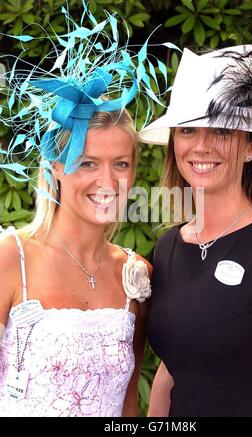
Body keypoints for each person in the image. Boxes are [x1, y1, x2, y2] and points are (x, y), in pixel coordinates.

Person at [0, 3, 171, 417]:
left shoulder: (137, 275)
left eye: (121, 164)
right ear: (56, 168)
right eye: (87, 163)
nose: (107, 182)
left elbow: (129, 402)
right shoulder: (10, 257)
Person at [139, 44, 252, 417]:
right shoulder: (167, 247)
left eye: (223, 131)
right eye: (189, 130)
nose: (202, 146)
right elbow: (176, 366)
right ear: (174, 142)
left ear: (250, 146)